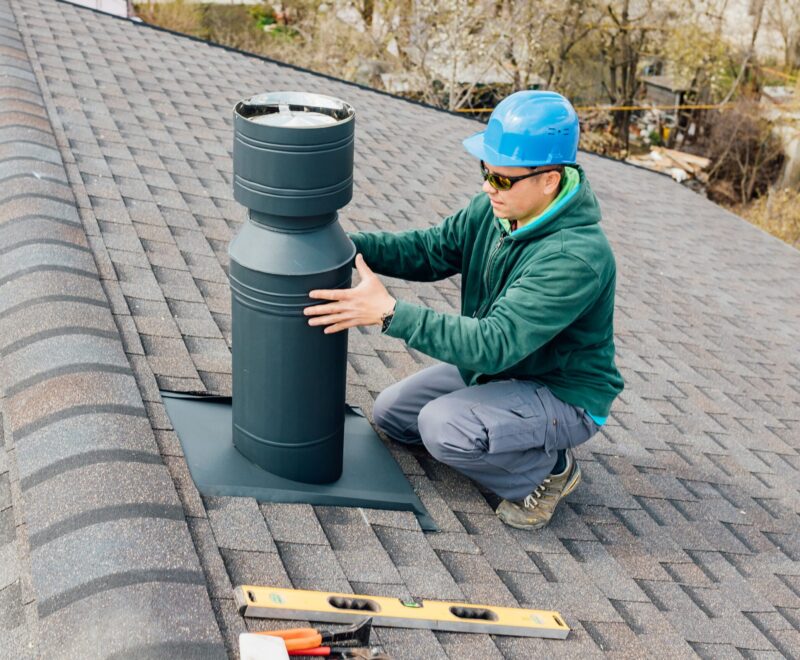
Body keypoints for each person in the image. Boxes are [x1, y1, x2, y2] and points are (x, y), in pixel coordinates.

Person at [304, 90, 624, 530]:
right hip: (503, 369)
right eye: (485, 171)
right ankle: (502, 429)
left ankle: (548, 474)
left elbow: (494, 344)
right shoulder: (497, 210)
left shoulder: (575, 258)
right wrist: (345, 247)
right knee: (393, 415)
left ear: (549, 180)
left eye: (503, 178)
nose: (488, 187)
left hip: (560, 392)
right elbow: (430, 251)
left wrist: (389, 314)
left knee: (443, 428)